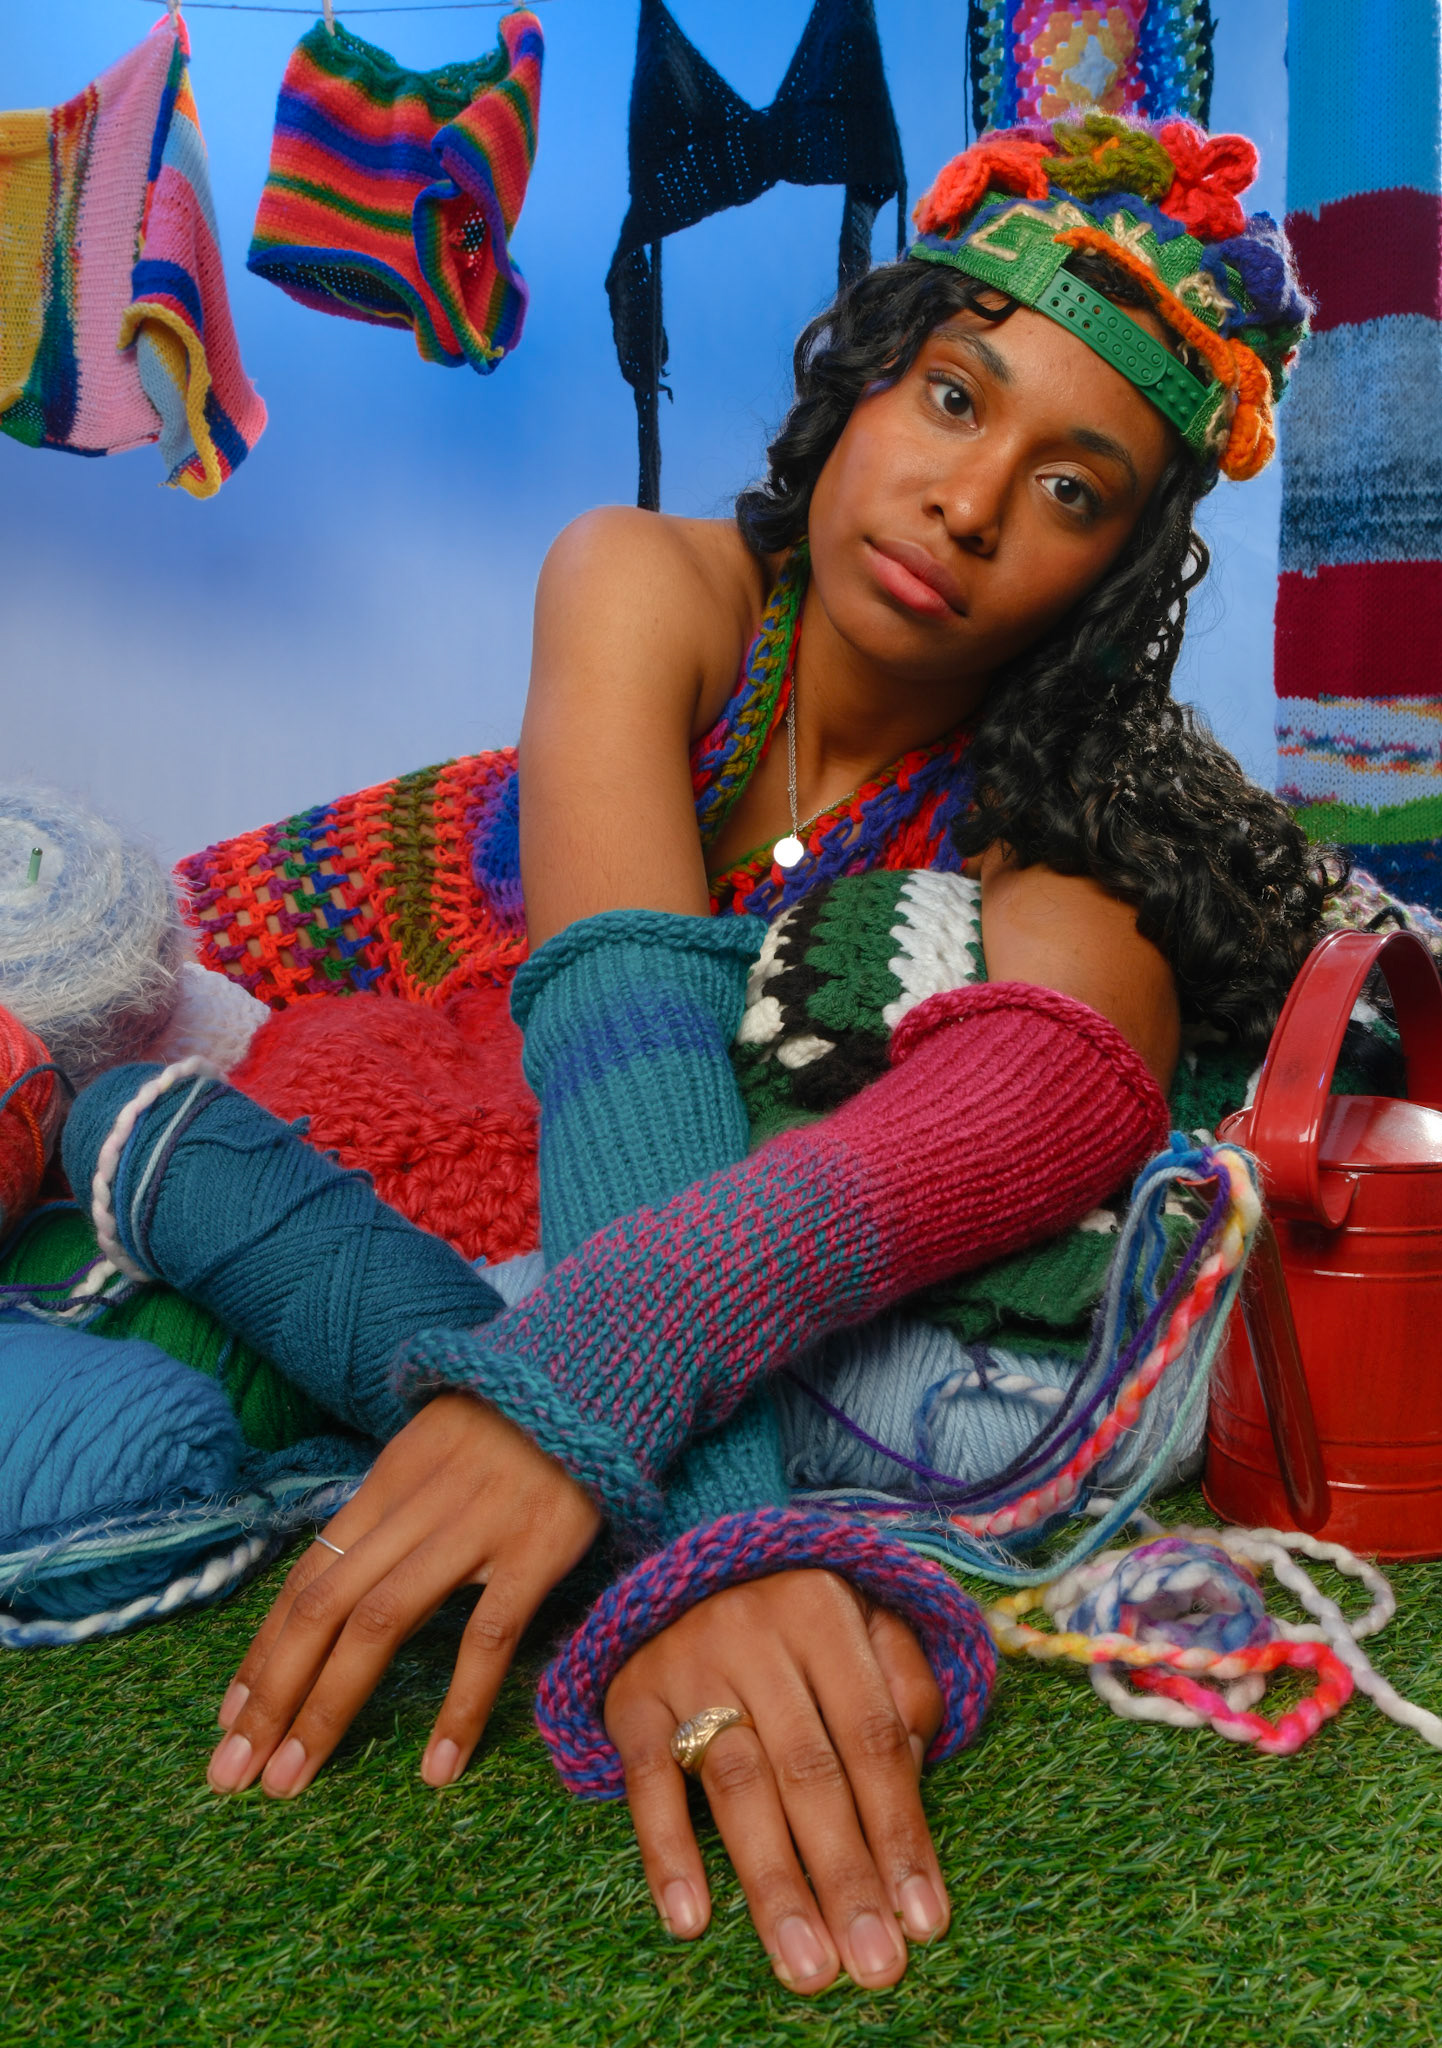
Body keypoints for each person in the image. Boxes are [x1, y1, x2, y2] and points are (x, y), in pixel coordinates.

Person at [202, 116, 1328, 1993]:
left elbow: (1059, 1084)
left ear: (1121, 574)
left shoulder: (1065, 810)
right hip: (331, 917)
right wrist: (723, 1544)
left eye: (1072, 490)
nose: (969, 503)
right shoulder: (648, 581)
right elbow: (628, 1041)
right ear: (864, 378)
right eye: (954, 398)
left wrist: (602, 1404)